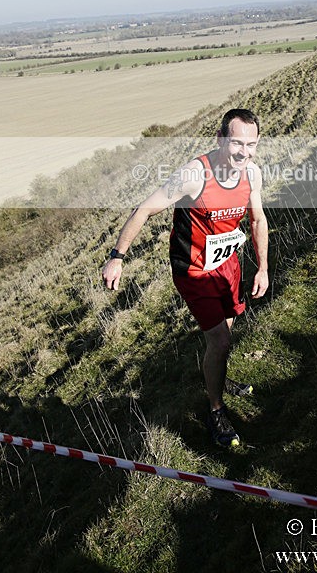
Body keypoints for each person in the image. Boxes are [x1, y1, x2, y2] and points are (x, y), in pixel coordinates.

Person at [102, 108, 268, 447]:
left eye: (251, 144)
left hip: (228, 264)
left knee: (224, 334)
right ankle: (216, 410)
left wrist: (263, 267)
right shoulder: (195, 175)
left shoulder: (252, 173)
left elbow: (257, 220)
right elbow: (145, 209)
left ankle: (216, 377)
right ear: (221, 139)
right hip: (194, 271)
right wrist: (117, 257)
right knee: (221, 341)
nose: (243, 151)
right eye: (237, 143)